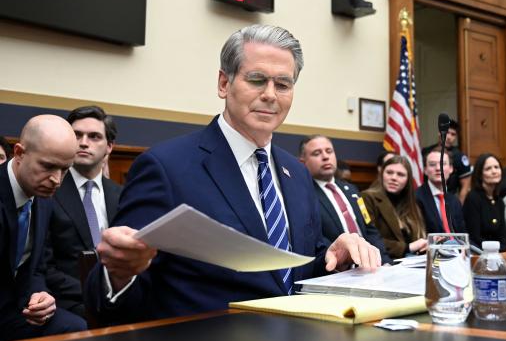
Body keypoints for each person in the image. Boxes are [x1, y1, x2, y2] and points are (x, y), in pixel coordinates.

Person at [85, 24, 381, 324]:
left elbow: (294, 271)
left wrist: (336, 257)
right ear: (224, 84)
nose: (270, 95)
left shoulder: (297, 172)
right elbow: (121, 280)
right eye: (256, 80)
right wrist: (119, 274)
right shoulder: (165, 167)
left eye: (283, 84)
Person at [0, 115, 87, 341]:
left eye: (65, 170)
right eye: (48, 166)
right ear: (19, 153)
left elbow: (36, 267)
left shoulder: (44, 197)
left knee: (78, 329)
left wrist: (40, 295)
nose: (56, 180)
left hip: (14, 308)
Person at [43, 106, 123, 318]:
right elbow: (44, 266)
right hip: (68, 302)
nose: (84, 142)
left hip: (119, 295)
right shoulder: (48, 190)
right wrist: (96, 291)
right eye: (76, 135)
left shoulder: (122, 194)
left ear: (109, 147)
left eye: (94, 136)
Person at [299, 135, 391, 263]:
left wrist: (384, 261)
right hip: (339, 268)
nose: (325, 157)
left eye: (329, 151)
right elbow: (315, 239)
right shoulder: (303, 194)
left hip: (371, 264)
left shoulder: (351, 189)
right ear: (303, 162)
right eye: (316, 153)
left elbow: (369, 228)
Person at [361, 155, 427, 258]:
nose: (394, 178)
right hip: (384, 262)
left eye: (400, 174)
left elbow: (419, 237)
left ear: (408, 180)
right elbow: (368, 238)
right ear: (382, 174)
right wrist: (407, 247)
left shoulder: (412, 203)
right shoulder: (366, 198)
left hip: (413, 263)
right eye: (389, 172)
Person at [462, 153, 506, 252]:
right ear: (480, 175)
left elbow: (502, 234)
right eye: (488, 169)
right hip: (478, 255)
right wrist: (505, 248)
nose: (494, 171)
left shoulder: (499, 201)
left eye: (496, 167)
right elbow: (474, 238)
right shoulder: (473, 198)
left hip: (497, 255)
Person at [415, 147, 466, 235]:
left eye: (443, 164)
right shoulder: (416, 198)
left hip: (457, 247)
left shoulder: (454, 201)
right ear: (425, 170)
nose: (438, 168)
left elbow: (462, 234)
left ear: (451, 169)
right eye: (432, 164)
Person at [422, 119, 472, 203]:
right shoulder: (426, 152)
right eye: (447, 132)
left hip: (448, 200)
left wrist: (458, 206)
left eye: (453, 134)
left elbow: (465, 186)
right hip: (426, 198)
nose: (449, 137)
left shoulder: (460, 157)